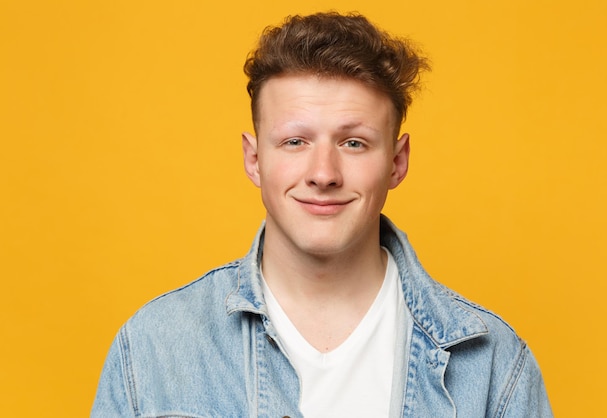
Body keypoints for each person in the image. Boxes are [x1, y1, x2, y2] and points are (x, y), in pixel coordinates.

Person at [92, 12, 552, 417]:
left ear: (397, 161)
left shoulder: (494, 364)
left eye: (354, 142)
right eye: (295, 141)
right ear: (254, 160)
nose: (323, 173)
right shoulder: (153, 347)